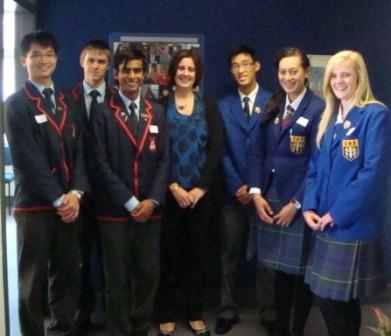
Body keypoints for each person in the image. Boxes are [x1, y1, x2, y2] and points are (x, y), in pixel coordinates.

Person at [5, 31, 89, 336]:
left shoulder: (68, 100)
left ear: (57, 58)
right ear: (23, 60)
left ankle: (61, 330)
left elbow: (80, 152)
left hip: (69, 205)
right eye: (36, 54)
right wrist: (59, 199)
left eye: (49, 53)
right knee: (33, 280)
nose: (44, 60)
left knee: (67, 275)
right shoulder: (15, 104)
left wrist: (76, 193)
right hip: (36, 207)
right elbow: (28, 160)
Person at [302, 50, 390, 336]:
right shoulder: (330, 117)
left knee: (332, 300)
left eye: (346, 75)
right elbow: (315, 167)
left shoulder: (375, 114)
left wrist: (336, 214)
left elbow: (372, 175)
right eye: (334, 75)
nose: (339, 81)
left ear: (359, 78)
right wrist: (308, 207)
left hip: (350, 224)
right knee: (335, 300)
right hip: (325, 222)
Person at [89, 47, 169, 336]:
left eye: (137, 70)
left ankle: (141, 327)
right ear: (116, 74)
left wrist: (152, 200)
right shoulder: (101, 113)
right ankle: (119, 330)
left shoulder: (156, 111)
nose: (132, 76)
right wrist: (130, 201)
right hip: (114, 213)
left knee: (148, 274)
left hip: (150, 213)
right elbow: (98, 163)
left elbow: (164, 161)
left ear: (144, 73)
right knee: (117, 278)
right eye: (126, 70)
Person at [248, 47, 324, 336]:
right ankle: (280, 328)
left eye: (293, 71)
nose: (288, 77)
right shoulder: (272, 105)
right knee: (277, 271)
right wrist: (255, 193)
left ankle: (297, 330)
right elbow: (256, 153)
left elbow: (317, 164)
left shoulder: (318, 109)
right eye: (283, 71)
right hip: (270, 196)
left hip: (299, 201)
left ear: (305, 72)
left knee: (299, 272)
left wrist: (298, 202)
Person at [156, 49, 224, 336]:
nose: (185, 73)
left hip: (200, 196)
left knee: (198, 255)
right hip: (169, 194)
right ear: (173, 72)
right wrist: (172, 185)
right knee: (169, 255)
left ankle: (195, 312)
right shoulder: (159, 106)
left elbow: (216, 149)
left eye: (191, 69)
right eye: (181, 68)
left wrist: (200, 188)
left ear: (197, 75)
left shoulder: (208, 106)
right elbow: (156, 152)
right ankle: (167, 312)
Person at [215, 44, 272, 335]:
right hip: (232, 193)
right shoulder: (223, 106)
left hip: (264, 195)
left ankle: (269, 312)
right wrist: (238, 184)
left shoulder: (273, 101)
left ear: (257, 66)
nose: (241, 70)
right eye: (235, 65)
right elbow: (220, 151)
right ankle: (227, 310)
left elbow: (274, 151)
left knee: (265, 255)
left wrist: (256, 187)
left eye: (246, 64)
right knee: (230, 254)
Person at [70, 39, 115, 331]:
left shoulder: (118, 99)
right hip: (77, 193)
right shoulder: (65, 99)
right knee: (78, 257)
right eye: (91, 61)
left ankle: (115, 312)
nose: (96, 66)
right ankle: (81, 312)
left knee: (114, 257)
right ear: (81, 62)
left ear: (108, 65)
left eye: (101, 61)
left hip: (112, 194)